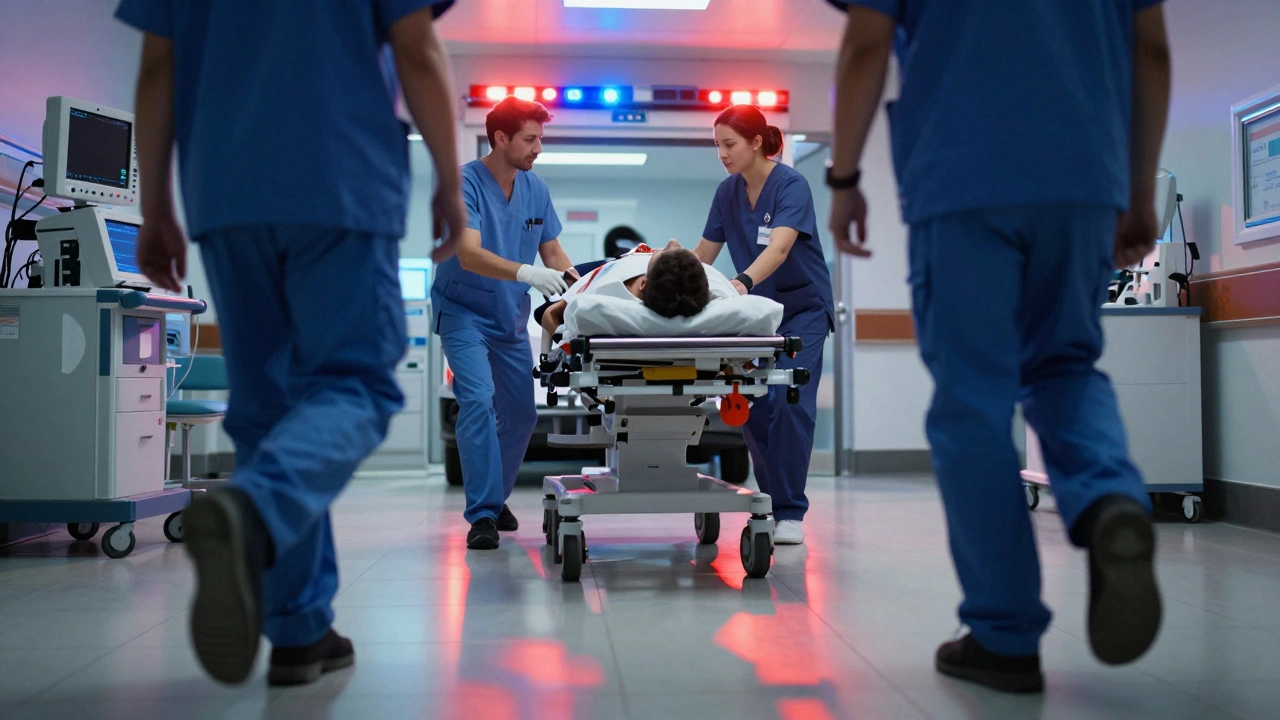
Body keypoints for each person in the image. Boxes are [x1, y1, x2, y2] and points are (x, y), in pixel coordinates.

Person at [114, 0, 466, 687]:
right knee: (357, 384)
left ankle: (301, 631)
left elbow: (159, 67)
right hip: (339, 181)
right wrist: (451, 185)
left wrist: (156, 207)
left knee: (267, 411)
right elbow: (418, 49)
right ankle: (256, 508)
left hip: (225, 191)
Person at [825, 0, 1170, 694]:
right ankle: (1107, 500)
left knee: (972, 402)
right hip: (1083, 177)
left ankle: (1004, 635)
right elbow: (1152, 52)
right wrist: (1136, 191)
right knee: (1064, 365)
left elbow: (866, 43)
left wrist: (844, 179)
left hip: (963, 176)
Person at [433, 96, 578, 551]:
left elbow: (552, 253)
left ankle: (495, 498)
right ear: (500, 138)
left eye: (540, 138)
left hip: (508, 316)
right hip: (464, 313)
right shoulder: (465, 184)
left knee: (521, 414)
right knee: (477, 399)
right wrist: (526, 272)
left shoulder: (535, 188)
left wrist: (582, 291)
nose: (539, 148)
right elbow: (468, 253)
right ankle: (482, 515)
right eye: (530, 139)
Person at [692, 105, 834, 546]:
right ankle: (773, 499)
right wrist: (667, 275)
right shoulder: (727, 193)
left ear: (756, 142)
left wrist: (740, 284)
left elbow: (779, 250)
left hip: (801, 311)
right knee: (752, 408)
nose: (722, 153)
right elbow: (704, 254)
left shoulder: (792, 185)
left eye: (729, 144)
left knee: (790, 402)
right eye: (717, 145)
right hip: (756, 312)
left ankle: (790, 511)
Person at [538, 240, 733, 335]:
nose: (673, 241)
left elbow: (551, 315)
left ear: (643, 283)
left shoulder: (607, 285)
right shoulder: (716, 286)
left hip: (619, 263)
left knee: (541, 310)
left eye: (662, 252)